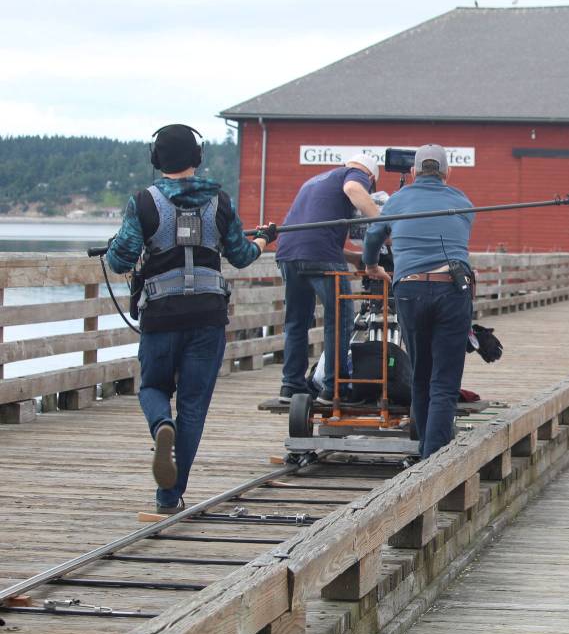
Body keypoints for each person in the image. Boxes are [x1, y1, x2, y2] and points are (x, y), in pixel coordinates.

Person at [105, 123, 274, 513]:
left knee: (152, 388)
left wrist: (121, 245)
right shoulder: (220, 200)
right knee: (194, 406)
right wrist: (265, 238)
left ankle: (161, 423)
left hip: (161, 315)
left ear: (156, 159)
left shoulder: (143, 202)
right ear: (197, 158)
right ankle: (169, 495)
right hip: (208, 315)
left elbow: (119, 261)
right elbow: (243, 255)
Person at [363, 144, 474, 461]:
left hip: (409, 290)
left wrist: (372, 265)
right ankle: (434, 459)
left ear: (412, 173)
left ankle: (427, 452)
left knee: (421, 375)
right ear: (447, 173)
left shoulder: (398, 200)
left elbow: (373, 236)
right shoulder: (462, 201)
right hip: (451, 289)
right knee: (444, 381)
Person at [274, 154, 381, 402]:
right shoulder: (355, 176)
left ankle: (291, 385)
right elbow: (354, 188)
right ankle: (335, 387)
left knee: (296, 321)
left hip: (288, 252)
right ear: (371, 177)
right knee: (340, 318)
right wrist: (383, 223)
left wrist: (355, 259)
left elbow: (310, 238)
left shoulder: (315, 180)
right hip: (319, 254)